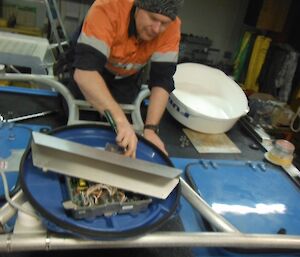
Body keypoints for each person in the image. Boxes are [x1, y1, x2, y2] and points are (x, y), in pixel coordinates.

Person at [71, 0, 183, 158]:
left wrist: (150, 129)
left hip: (126, 76)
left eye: (164, 23)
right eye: (152, 18)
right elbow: (85, 73)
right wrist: (120, 120)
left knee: (120, 136)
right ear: (138, 6)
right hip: (89, 68)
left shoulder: (172, 26)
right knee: (84, 128)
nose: (157, 29)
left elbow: (162, 81)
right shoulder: (108, 7)